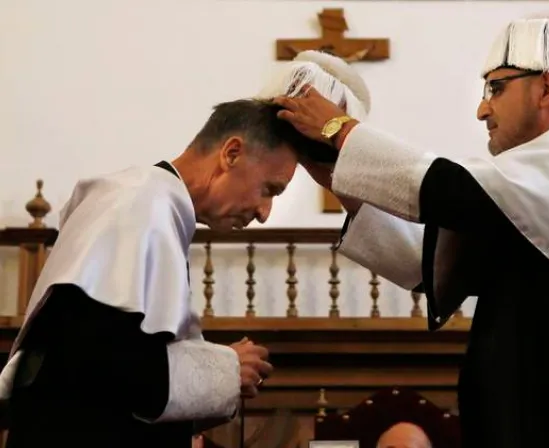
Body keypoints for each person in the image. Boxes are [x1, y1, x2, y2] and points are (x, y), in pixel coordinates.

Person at [273, 11, 549, 448]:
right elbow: (427, 260)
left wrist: (339, 129)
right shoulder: (532, 193)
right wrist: (333, 173)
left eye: (496, 88)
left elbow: (449, 186)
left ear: (546, 87)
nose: (483, 109)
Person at [0, 98, 325, 447]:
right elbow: (93, 361)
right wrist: (225, 369)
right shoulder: (138, 205)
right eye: (269, 189)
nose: (264, 212)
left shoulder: (151, 206)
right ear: (231, 153)